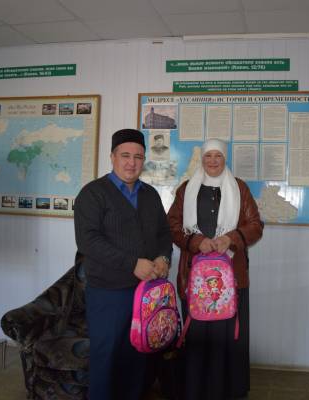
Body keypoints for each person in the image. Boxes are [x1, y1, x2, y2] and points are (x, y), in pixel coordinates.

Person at [74, 128, 172, 400]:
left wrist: (163, 257)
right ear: (112, 157)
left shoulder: (150, 194)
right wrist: (132, 264)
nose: (131, 163)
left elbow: (164, 234)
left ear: (144, 161)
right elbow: (88, 241)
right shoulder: (93, 194)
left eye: (138, 157)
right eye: (125, 155)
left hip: (146, 293)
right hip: (108, 293)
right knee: (106, 356)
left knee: (139, 355)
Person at [167, 138, 263, 400]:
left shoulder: (239, 188)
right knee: (196, 337)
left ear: (224, 158)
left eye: (217, 156)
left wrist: (230, 239)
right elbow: (172, 226)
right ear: (202, 159)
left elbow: (256, 226)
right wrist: (197, 242)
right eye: (208, 156)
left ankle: (227, 391)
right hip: (195, 279)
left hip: (231, 280)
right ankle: (195, 390)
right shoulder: (186, 189)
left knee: (227, 337)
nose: (212, 161)